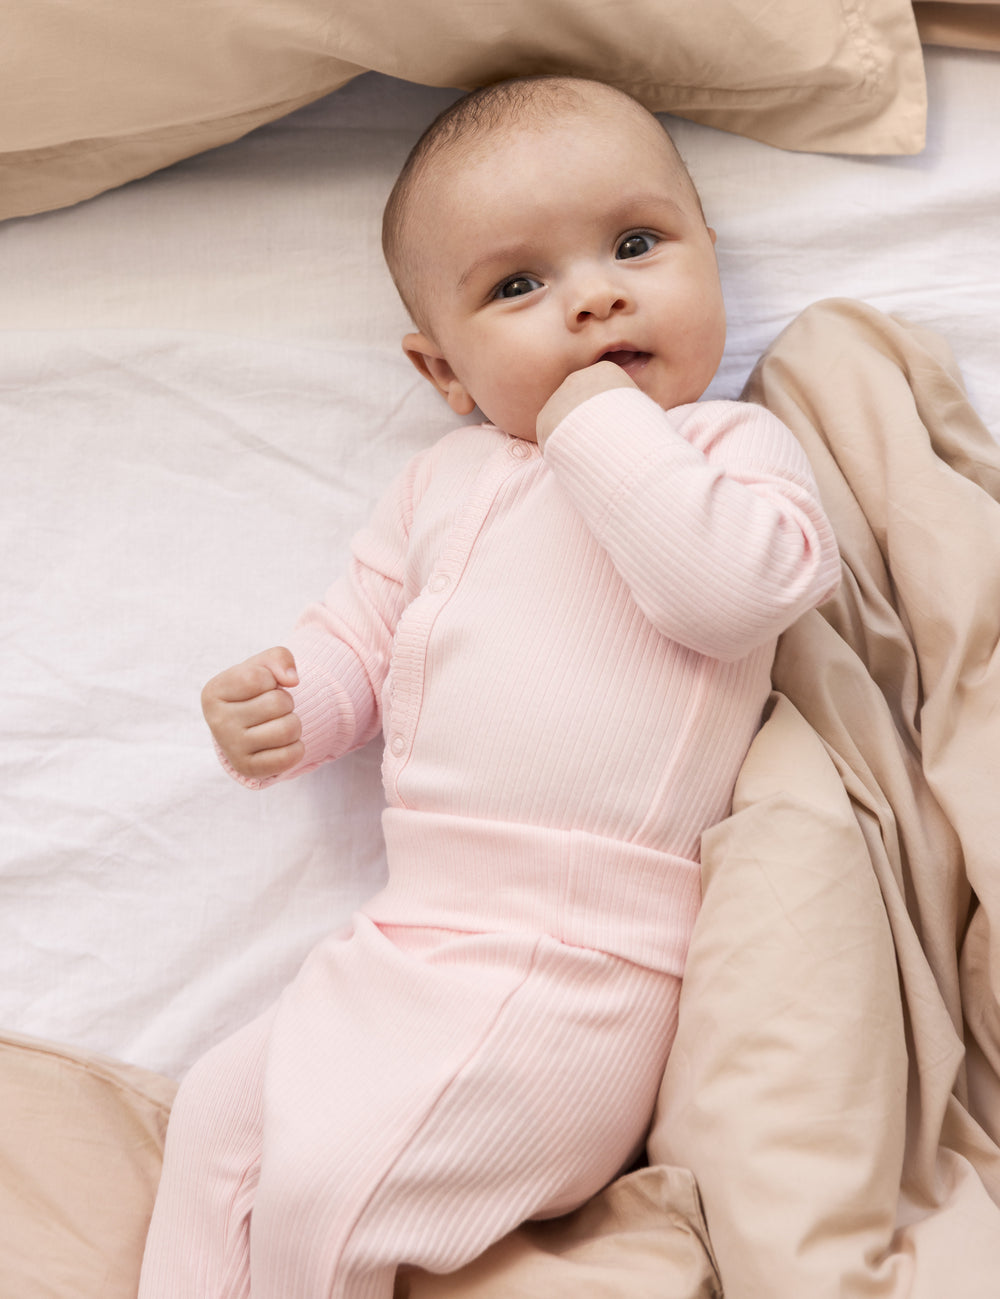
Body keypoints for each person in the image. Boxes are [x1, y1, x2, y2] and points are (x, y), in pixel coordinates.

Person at [138, 75, 841, 1299]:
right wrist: (291, 706)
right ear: (444, 372)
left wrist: (593, 418)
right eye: (518, 286)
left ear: (711, 256)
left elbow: (731, 593)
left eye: (636, 245)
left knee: (333, 1192)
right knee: (218, 1117)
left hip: (578, 963)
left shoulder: (727, 450)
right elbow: (359, 638)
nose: (594, 297)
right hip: (406, 930)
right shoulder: (440, 482)